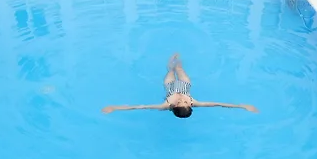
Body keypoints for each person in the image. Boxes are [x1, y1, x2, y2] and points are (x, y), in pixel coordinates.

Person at [102, 53, 258, 118]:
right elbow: (218, 103)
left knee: (170, 70)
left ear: (174, 106)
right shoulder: (193, 102)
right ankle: (177, 59)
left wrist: (115, 108)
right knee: (180, 69)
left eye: (180, 102)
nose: (183, 100)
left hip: (170, 85)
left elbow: (141, 107)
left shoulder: (165, 105)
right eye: (185, 102)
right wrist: (242, 106)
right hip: (185, 84)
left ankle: (172, 62)